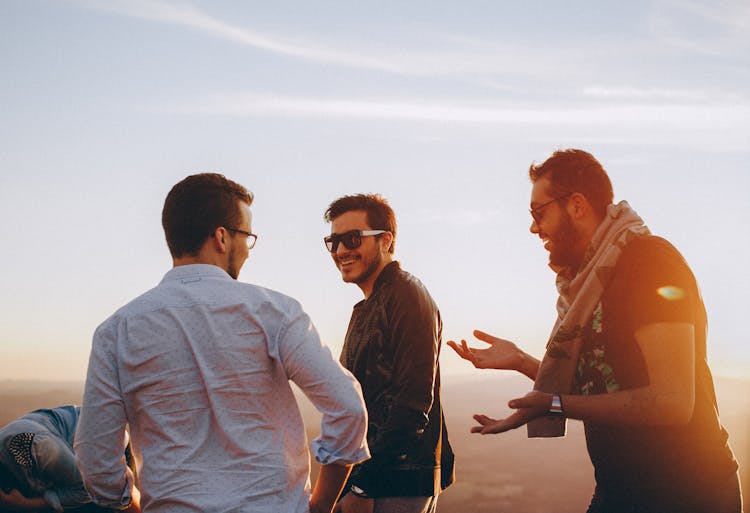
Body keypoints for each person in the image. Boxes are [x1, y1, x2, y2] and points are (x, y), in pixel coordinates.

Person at [449, 149, 742, 513]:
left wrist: (555, 404)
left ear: (576, 205)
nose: (533, 228)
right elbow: (603, 381)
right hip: (618, 490)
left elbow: (672, 401)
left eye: (539, 213)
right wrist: (522, 362)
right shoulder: (587, 285)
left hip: (688, 492)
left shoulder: (650, 261)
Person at [75, 173, 370, 513]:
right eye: (248, 236)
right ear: (222, 237)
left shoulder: (116, 332)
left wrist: (132, 505)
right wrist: (320, 506)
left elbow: (96, 457)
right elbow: (347, 408)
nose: (247, 249)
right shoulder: (274, 313)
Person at [323, 194, 455, 513]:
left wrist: (361, 484)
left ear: (386, 240)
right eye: (333, 241)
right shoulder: (372, 304)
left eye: (353, 239)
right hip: (377, 478)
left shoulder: (406, 296)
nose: (341, 250)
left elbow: (412, 405)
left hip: (395, 482)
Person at [0, 405, 131, 513]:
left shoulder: (34, 446)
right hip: (66, 459)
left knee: (109, 502)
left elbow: (85, 489)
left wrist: (27, 505)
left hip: (101, 438)